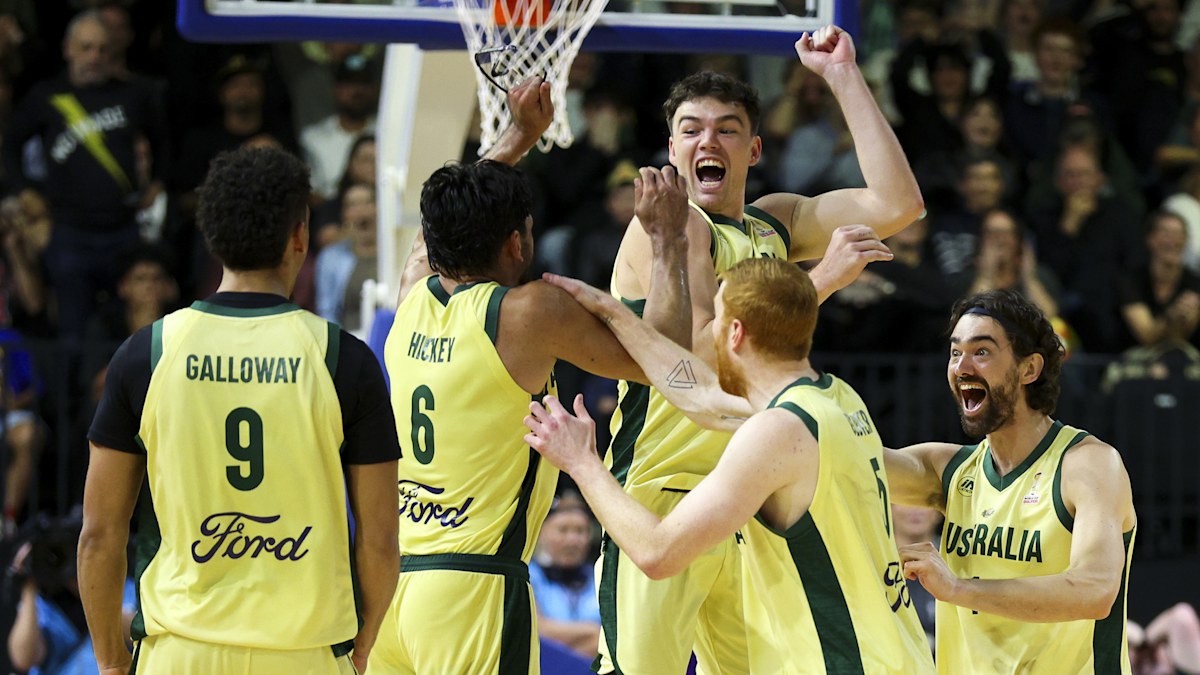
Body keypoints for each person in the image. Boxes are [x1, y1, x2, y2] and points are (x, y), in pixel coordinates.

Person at [599, 24, 922, 675]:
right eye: (690, 129)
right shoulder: (670, 225)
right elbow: (698, 355)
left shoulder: (773, 223)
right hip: (664, 486)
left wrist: (842, 77)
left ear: (753, 149)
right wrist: (821, 281)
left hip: (742, 491)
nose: (706, 141)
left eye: (724, 128)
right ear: (671, 148)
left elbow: (898, 202)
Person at [370, 77, 693, 675]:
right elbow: (668, 354)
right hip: (472, 588)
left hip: (391, 589)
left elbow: (438, 225)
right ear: (518, 243)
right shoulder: (520, 314)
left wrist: (517, 136)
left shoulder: (411, 294)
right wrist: (669, 240)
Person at [523, 258, 935, 673]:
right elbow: (701, 394)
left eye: (716, 319)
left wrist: (582, 463)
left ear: (735, 333)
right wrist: (618, 315)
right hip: (897, 655)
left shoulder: (777, 432)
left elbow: (658, 553)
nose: (710, 334)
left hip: (841, 663)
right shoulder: (835, 400)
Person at [77, 146, 401, 674]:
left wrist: (112, 664)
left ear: (213, 237)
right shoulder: (344, 358)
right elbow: (381, 539)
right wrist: (362, 647)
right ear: (300, 236)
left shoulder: (147, 353)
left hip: (181, 651)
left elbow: (100, 533)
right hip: (307, 653)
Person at [885, 289, 1137, 673]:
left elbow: (1095, 590)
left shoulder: (1088, 464)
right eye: (955, 352)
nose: (962, 367)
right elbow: (843, 457)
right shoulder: (948, 469)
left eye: (981, 351)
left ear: (1029, 369)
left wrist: (957, 589)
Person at [2, 9, 169, 337]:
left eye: (103, 49)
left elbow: (163, 143)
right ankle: (75, 388)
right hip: (68, 233)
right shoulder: (46, 97)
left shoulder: (134, 94)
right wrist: (23, 190)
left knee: (131, 332)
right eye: (87, 47)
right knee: (72, 332)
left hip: (124, 230)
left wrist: (158, 182)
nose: (95, 57)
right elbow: (10, 146)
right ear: (68, 49)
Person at [529, 491, 602, 659]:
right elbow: (537, 629)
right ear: (541, 533)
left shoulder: (599, 575)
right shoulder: (529, 575)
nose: (572, 540)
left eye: (580, 531)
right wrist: (593, 632)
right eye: (563, 530)